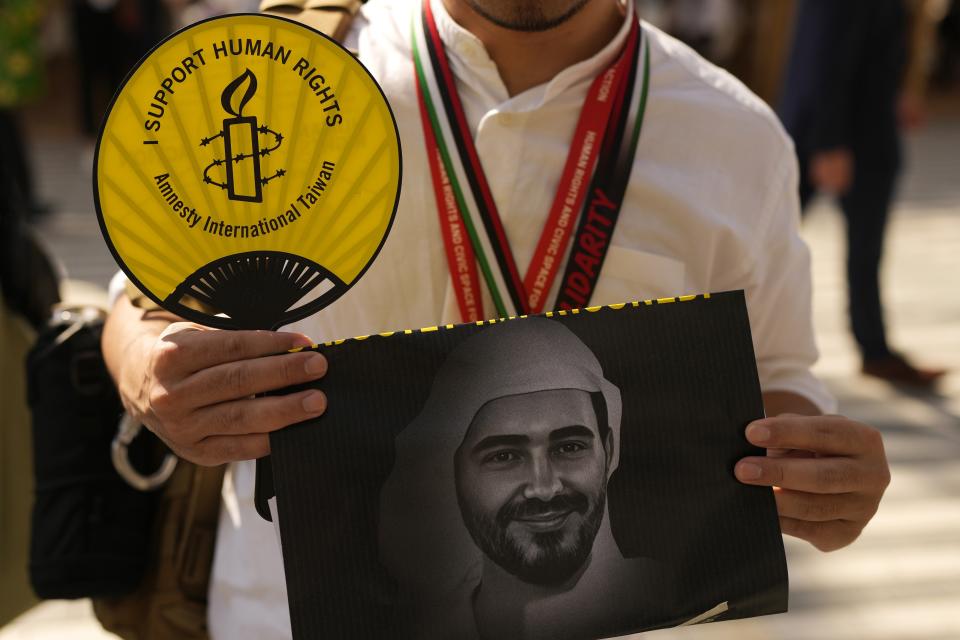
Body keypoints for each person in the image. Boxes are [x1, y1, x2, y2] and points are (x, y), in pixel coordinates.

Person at [102, 0, 892, 637]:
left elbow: (778, 374)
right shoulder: (293, 83)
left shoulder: (735, 137)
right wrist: (141, 368)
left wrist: (821, 477)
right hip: (286, 610)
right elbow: (141, 304)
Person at [379, 319, 672, 640]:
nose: (544, 488)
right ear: (452, 470)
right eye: (504, 456)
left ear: (609, 452)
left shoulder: (683, 597)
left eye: (569, 447)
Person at [779, 0, 947, 387]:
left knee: (855, 247)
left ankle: (875, 350)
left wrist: (894, 96)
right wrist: (829, 142)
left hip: (850, 124)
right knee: (773, 244)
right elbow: (828, 55)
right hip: (843, 133)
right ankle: (871, 350)